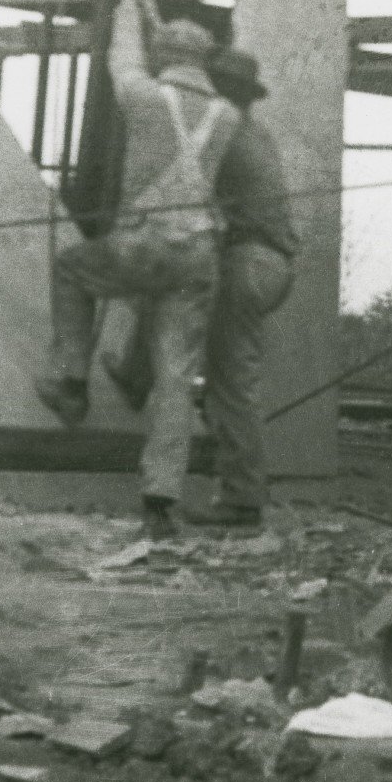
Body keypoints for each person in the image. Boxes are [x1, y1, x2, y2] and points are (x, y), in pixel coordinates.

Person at [40, 0, 239, 537]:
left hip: (144, 242)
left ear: (163, 56)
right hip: (198, 254)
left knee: (72, 270)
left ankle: (72, 383)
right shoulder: (228, 116)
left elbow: (121, 52)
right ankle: (159, 501)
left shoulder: (144, 97)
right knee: (176, 376)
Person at [111, 43, 298, 528]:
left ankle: (242, 500)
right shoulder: (252, 130)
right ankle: (136, 377)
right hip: (268, 263)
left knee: (231, 382)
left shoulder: (224, 131)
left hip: (247, 262)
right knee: (223, 367)